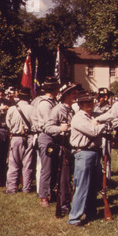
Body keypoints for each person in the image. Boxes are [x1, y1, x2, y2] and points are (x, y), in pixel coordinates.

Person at [68, 91, 107, 226]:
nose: (89, 104)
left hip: (94, 152)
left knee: (93, 185)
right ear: (80, 104)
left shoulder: (93, 116)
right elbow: (93, 131)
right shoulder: (79, 117)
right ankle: (75, 217)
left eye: (90, 101)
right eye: (85, 102)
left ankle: (91, 211)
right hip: (83, 152)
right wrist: (104, 125)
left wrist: (100, 123)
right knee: (82, 185)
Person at [45, 83, 80, 215]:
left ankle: (68, 201)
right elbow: (47, 127)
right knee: (63, 179)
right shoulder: (57, 110)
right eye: (73, 94)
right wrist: (60, 129)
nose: (76, 96)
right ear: (66, 95)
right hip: (61, 146)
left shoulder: (71, 110)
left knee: (69, 178)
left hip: (70, 147)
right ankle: (64, 205)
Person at [4, 87, 37, 194]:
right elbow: (35, 125)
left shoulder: (12, 109)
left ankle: (11, 188)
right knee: (27, 165)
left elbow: (8, 124)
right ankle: (26, 188)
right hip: (28, 137)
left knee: (13, 164)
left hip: (15, 137)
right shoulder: (32, 109)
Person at [34, 77, 61, 207]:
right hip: (47, 136)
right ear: (54, 89)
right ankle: (43, 196)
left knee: (54, 167)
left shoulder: (53, 102)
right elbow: (49, 124)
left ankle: (52, 192)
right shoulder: (45, 104)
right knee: (47, 168)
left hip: (54, 136)